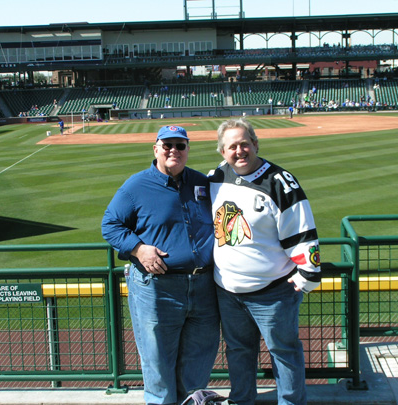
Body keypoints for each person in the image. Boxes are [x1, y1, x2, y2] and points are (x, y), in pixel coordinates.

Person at [102, 125, 220, 405]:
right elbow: (110, 224)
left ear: (188, 150)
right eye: (167, 145)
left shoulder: (202, 183)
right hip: (157, 288)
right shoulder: (136, 185)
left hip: (204, 286)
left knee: (199, 356)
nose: (173, 151)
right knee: (158, 360)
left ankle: (192, 401)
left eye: (180, 145)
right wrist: (138, 248)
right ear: (155, 149)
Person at [208, 118, 321, 405]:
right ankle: (242, 401)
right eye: (232, 146)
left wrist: (307, 274)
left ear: (256, 144)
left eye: (245, 143)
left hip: (272, 292)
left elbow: (301, 230)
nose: (240, 151)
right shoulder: (215, 179)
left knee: (283, 351)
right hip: (228, 292)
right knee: (238, 351)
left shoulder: (280, 182)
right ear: (222, 151)